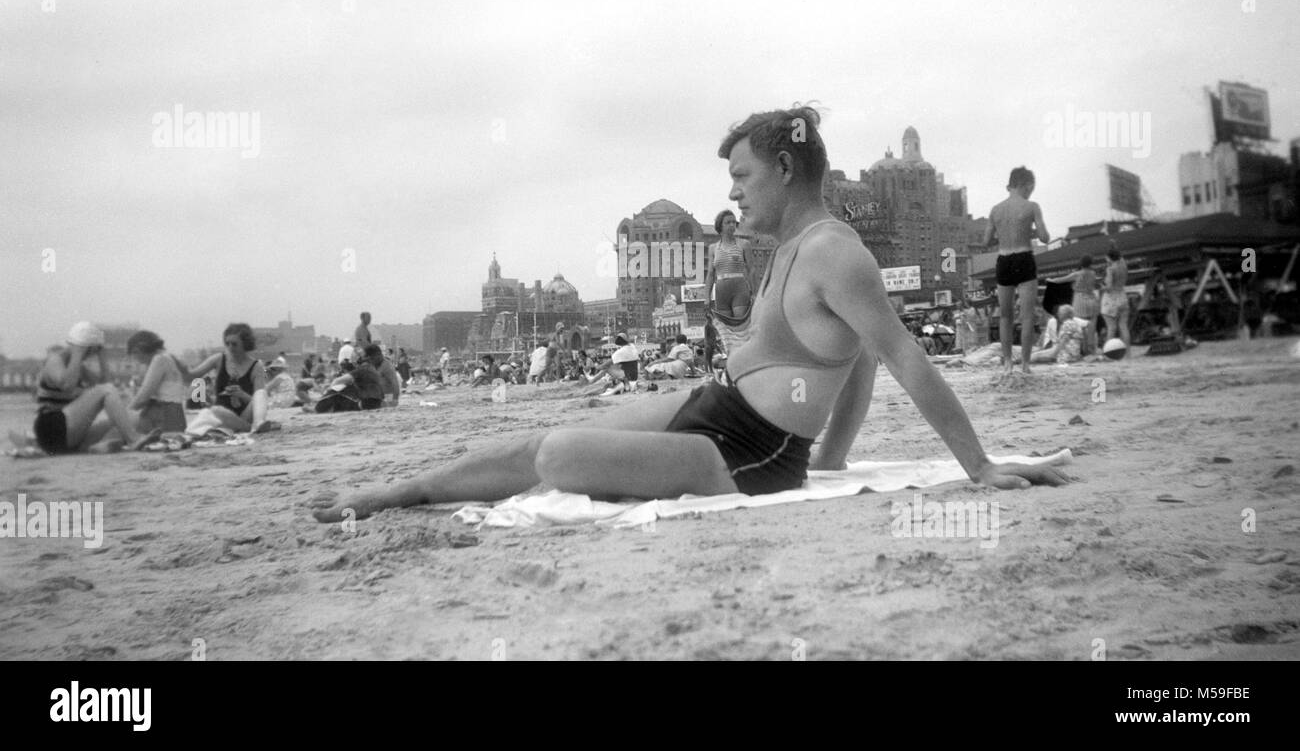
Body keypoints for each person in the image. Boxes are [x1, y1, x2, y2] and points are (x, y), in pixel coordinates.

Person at [312, 105, 1067, 524]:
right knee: (548, 432)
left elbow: (901, 356)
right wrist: (832, 463)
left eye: (741, 175)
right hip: (720, 408)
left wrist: (979, 464)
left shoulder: (836, 250)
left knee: (555, 459)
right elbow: (858, 364)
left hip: (750, 453)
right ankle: (403, 489)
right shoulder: (790, 247)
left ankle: (401, 495)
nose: (734, 194)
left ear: (783, 167)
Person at [28, 322, 160, 454]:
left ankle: (96, 447)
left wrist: (102, 355)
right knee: (106, 390)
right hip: (52, 428)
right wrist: (77, 352)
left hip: (67, 433)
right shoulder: (55, 361)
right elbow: (67, 385)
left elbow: (107, 384)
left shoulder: (78, 367)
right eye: (92, 350)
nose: (91, 354)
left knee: (128, 418)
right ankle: (133, 440)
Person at [985, 167, 1050, 374]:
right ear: (1027, 185)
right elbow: (1045, 237)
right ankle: (1025, 364)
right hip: (1024, 258)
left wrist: (1004, 234)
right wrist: (1028, 230)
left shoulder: (996, 210)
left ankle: (1007, 364)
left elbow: (986, 241)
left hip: (1004, 259)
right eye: (1032, 188)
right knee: (1027, 316)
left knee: (1005, 316)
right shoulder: (1031, 206)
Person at [182, 323, 275, 433]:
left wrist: (242, 395)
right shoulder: (219, 359)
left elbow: (258, 401)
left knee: (261, 393)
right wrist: (177, 367)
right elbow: (192, 376)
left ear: (245, 344)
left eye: (234, 344)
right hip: (222, 415)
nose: (230, 347)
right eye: (227, 344)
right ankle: (249, 428)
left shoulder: (256, 366)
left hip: (245, 415)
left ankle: (258, 423)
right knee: (215, 411)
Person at [126, 330, 188, 433]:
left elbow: (143, 397)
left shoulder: (160, 359)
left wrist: (123, 414)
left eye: (134, 354)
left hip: (165, 418)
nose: (135, 359)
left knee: (116, 427)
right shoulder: (166, 358)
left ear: (138, 350)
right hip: (172, 417)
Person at [1047, 256, 1100, 356]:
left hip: (1080, 301)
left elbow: (1062, 279)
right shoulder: (1093, 274)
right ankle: (1092, 350)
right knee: (1091, 327)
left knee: (1079, 325)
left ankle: (1083, 350)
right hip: (1092, 300)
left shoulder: (1077, 274)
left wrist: (1051, 280)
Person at [705, 209, 752, 322]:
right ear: (720, 226)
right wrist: (707, 298)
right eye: (728, 222)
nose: (732, 225)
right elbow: (710, 274)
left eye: (733, 222)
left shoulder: (744, 244)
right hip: (721, 290)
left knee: (740, 323)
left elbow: (752, 270)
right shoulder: (713, 248)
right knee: (726, 328)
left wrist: (756, 293)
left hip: (739, 287)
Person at [1100, 245, 1131, 351]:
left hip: (1111, 300)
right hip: (1122, 296)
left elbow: (1108, 287)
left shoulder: (1110, 269)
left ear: (1109, 258)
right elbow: (1120, 257)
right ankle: (1128, 353)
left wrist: (1102, 287)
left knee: (1111, 328)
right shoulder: (1124, 266)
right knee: (1124, 326)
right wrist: (1114, 246)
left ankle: (1108, 353)